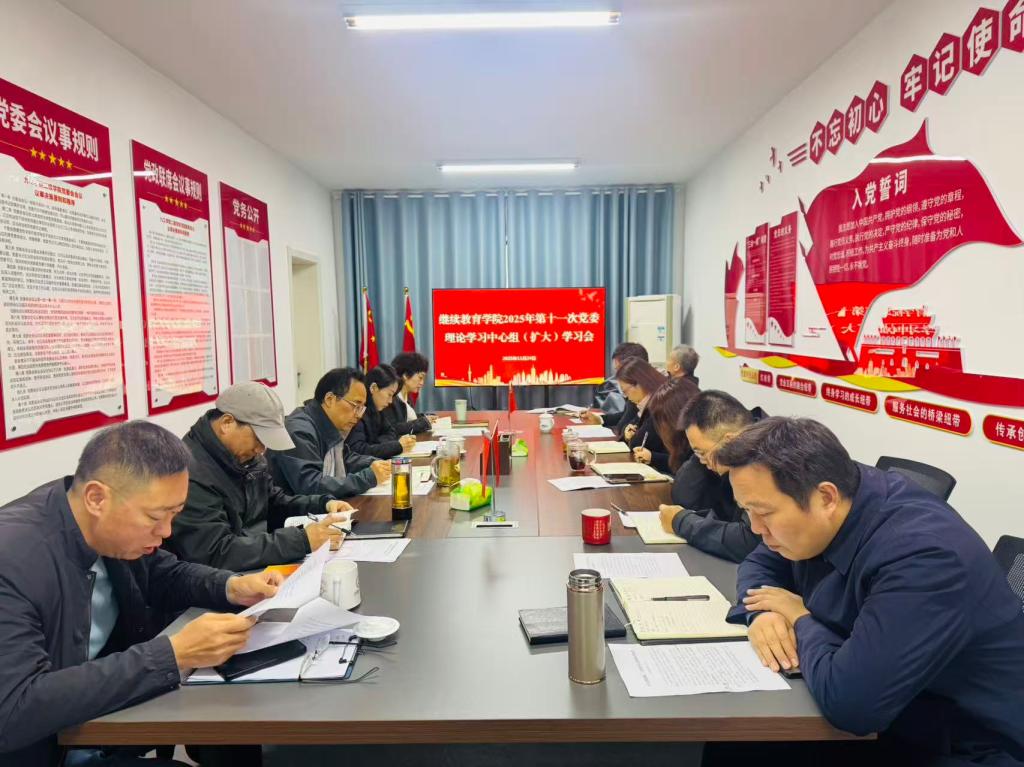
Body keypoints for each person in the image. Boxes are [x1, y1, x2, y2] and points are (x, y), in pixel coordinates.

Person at [718, 417, 1024, 764]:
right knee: (732, 743)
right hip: (895, 708)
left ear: (826, 497)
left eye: (763, 512)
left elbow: (852, 706)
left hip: (963, 744)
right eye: (747, 511)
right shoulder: (832, 501)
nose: (756, 528)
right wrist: (763, 613)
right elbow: (760, 562)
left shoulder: (925, 557)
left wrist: (799, 617)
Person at [0, 421, 283, 767]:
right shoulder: (13, 559)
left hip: (96, 724)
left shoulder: (108, 531)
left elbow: (164, 573)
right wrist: (173, 654)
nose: (166, 532)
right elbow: (13, 709)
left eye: (174, 515)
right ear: (96, 498)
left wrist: (231, 586)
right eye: (155, 517)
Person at [165, 382, 353, 571]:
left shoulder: (245, 458)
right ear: (227, 423)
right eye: (258, 439)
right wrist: (301, 541)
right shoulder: (189, 475)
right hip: (221, 579)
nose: (261, 450)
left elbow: (272, 503)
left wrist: (322, 504)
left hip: (252, 568)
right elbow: (216, 552)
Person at [658, 390, 764, 562]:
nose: (701, 461)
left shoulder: (765, 460)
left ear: (729, 440)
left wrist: (682, 522)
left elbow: (749, 542)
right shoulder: (738, 455)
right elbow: (684, 497)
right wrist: (705, 452)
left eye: (701, 452)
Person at [269, 367, 391, 499]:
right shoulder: (299, 431)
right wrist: (367, 478)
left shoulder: (327, 422)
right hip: (294, 510)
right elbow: (310, 486)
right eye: (356, 405)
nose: (359, 415)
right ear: (329, 399)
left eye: (361, 408)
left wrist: (378, 464)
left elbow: (345, 458)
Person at [347, 364, 418, 459]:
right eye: (389, 394)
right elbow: (358, 450)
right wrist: (394, 446)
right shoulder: (358, 412)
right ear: (373, 388)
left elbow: (391, 432)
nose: (390, 401)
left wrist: (376, 445)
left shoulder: (377, 409)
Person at [614, 357, 670, 469]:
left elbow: (637, 443)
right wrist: (627, 434)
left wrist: (631, 438)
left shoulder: (660, 404)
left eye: (625, 392)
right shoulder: (646, 401)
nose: (627, 397)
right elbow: (626, 425)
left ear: (639, 384)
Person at [636, 375, 699, 474]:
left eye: (664, 418)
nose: (662, 424)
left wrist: (653, 457)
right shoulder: (676, 434)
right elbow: (677, 463)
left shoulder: (697, 438)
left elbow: (686, 468)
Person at [581, 342, 648, 430]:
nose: (617, 376)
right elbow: (626, 415)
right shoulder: (635, 386)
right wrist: (599, 419)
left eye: (619, 370)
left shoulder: (655, 397)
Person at [385, 351, 438, 436]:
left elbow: (408, 418)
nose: (422, 383)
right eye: (420, 377)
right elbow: (393, 428)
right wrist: (423, 423)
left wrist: (425, 418)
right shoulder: (390, 398)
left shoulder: (407, 396)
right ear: (405, 375)